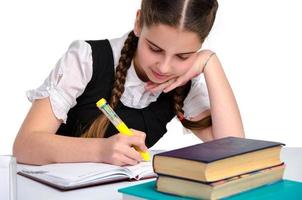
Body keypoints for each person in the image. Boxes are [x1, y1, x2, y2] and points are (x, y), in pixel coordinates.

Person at [13, 0, 244, 166]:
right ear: (138, 23)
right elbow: (25, 145)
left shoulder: (184, 85)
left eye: (183, 56)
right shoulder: (87, 59)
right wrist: (100, 150)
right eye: (154, 48)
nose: (164, 67)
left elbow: (235, 154)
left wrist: (211, 63)